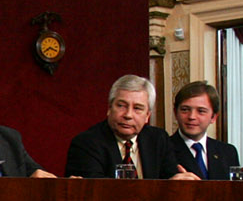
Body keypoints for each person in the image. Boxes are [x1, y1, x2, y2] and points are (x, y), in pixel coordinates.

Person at [65, 74, 197, 180]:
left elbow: (170, 178)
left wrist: (178, 182)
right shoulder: (86, 143)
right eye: (121, 106)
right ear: (109, 108)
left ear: (147, 116)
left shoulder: (158, 139)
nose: (128, 115)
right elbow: (97, 192)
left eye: (137, 108)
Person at [168, 81, 240, 179]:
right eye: (185, 109)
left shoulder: (228, 152)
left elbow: (238, 191)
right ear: (175, 113)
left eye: (201, 111)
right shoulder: (164, 150)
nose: (192, 117)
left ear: (213, 117)